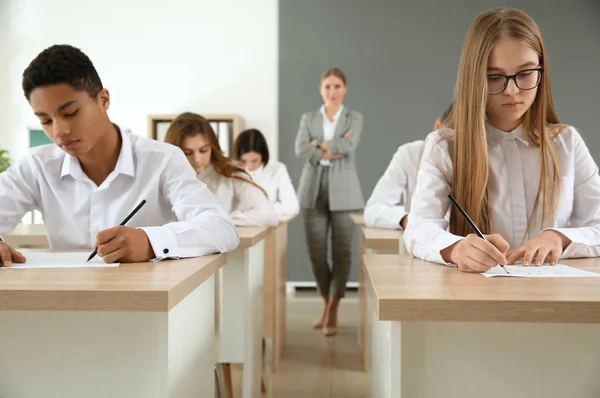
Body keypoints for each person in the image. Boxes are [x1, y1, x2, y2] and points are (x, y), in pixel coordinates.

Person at [0, 44, 239, 266]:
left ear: (103, 100)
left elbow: (221, 228)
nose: (59, 131)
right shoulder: (37, 166)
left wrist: (151, 242)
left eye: (71, 113)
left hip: (148, 304)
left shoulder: (162, 160)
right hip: (64, 302)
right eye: (45, 120)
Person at [404, 8, 600, 273]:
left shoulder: (566, 142)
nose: (512, 90)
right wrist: (456, 248)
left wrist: (561, 238)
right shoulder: (444, 146)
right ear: (475, 79)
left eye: (526, 73)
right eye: (494, 77)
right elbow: (418, 227)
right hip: (476, 299)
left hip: (551, 298)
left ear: (541, 71)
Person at [294, 67, 364, 336]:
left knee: (342, 253)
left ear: (345, 88)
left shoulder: (354, 117)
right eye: (327, 87)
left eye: (337, 86)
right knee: (316, 253)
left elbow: (349, 147)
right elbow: (300, 149)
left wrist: (318, 144)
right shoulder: (308, 117)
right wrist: (331, 145)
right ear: (320, 89)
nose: (332, 92)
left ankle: (332, 309)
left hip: (346, 192)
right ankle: (326, 303)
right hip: (312, 189)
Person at [164, 113, 278, 227]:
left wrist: (224, 220)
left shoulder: (230, 173)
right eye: (187, 153)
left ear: (212, 147)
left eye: (203, 150)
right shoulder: (164, 177)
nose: (197, 160)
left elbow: (269, 216)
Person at [364, 103, 453, 229]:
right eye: (448, 140)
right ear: (437, 126)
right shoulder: (409, 154)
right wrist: (407, 219)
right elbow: (373, 211)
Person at [233, 128, 300, 219]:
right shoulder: (233, 171)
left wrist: (258, 211)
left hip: (267, 226)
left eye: (254, 161)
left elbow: (292, 207)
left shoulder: (277, 169)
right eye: (244, 161)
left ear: (263, 155)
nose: (249, 166)